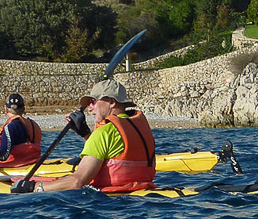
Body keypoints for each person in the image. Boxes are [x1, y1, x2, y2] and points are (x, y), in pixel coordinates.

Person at [18, 79, 155, 193]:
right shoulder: (138, 128)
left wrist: (34, 187)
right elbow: (112, 154)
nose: (90, 108)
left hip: (111, 207)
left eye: (93, 101)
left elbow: (77, 182)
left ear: (112, 102)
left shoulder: (103, 133)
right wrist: (85, 134)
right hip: (140, 200)